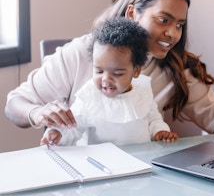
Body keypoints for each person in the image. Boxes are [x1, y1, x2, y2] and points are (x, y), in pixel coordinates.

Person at [5, 0, 214, 143]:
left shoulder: (174, 67)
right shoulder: (81, 52)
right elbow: (15, 105)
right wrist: (36, 113)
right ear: (132, 13)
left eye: (180, 24)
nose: (173, 33)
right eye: (163, 20)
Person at [40, 17, 179, 146]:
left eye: (117, 73)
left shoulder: (142, 90)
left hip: (141, 161)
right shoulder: (89, 96)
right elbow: (72, 128)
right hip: (102, 165)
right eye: (99, 71)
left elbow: (154, 119)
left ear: (136, 71)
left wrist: (160, 131)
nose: (106, 79)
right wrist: (57, 134)